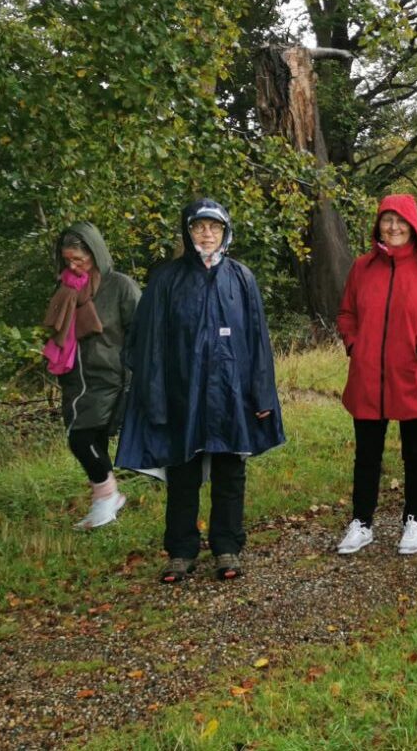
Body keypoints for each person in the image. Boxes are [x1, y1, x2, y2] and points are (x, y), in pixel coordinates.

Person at [119, 199, 285, 583]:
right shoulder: (167, 280)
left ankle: (227, 547)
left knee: (230, 471)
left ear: (226, 233)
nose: (207, 235)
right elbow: (147, 344)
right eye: (199, 228)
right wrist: (156, 397)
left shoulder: (242, 278)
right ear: (187, 231)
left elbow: (259, 341)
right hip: (183, 393)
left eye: (214, 228)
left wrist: (262, 395)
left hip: (231, 394)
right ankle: (181, 551)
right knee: (183, 472)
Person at [333, 195, 417, 557]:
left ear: (413, 226)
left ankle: (413, 519)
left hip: (414, 375)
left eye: (401, 221)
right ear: (378, 225)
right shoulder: (362, 268)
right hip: (369, 375)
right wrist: (355, 344)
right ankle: (362, 522)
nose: (394, 227)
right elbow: (347, 313)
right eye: (387, 220)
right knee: (366, 454)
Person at [44, 223, 140, 530]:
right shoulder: (66, 287)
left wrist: (135, 372)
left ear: (95, 253)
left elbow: (142, 331)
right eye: (67, 260)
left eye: (79, 259)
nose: (72, 266)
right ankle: (105, 505)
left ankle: (108, 496)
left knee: (80, 439)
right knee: (93, 438)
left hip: (110, 377)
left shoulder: (120, 286)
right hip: (74, 378)